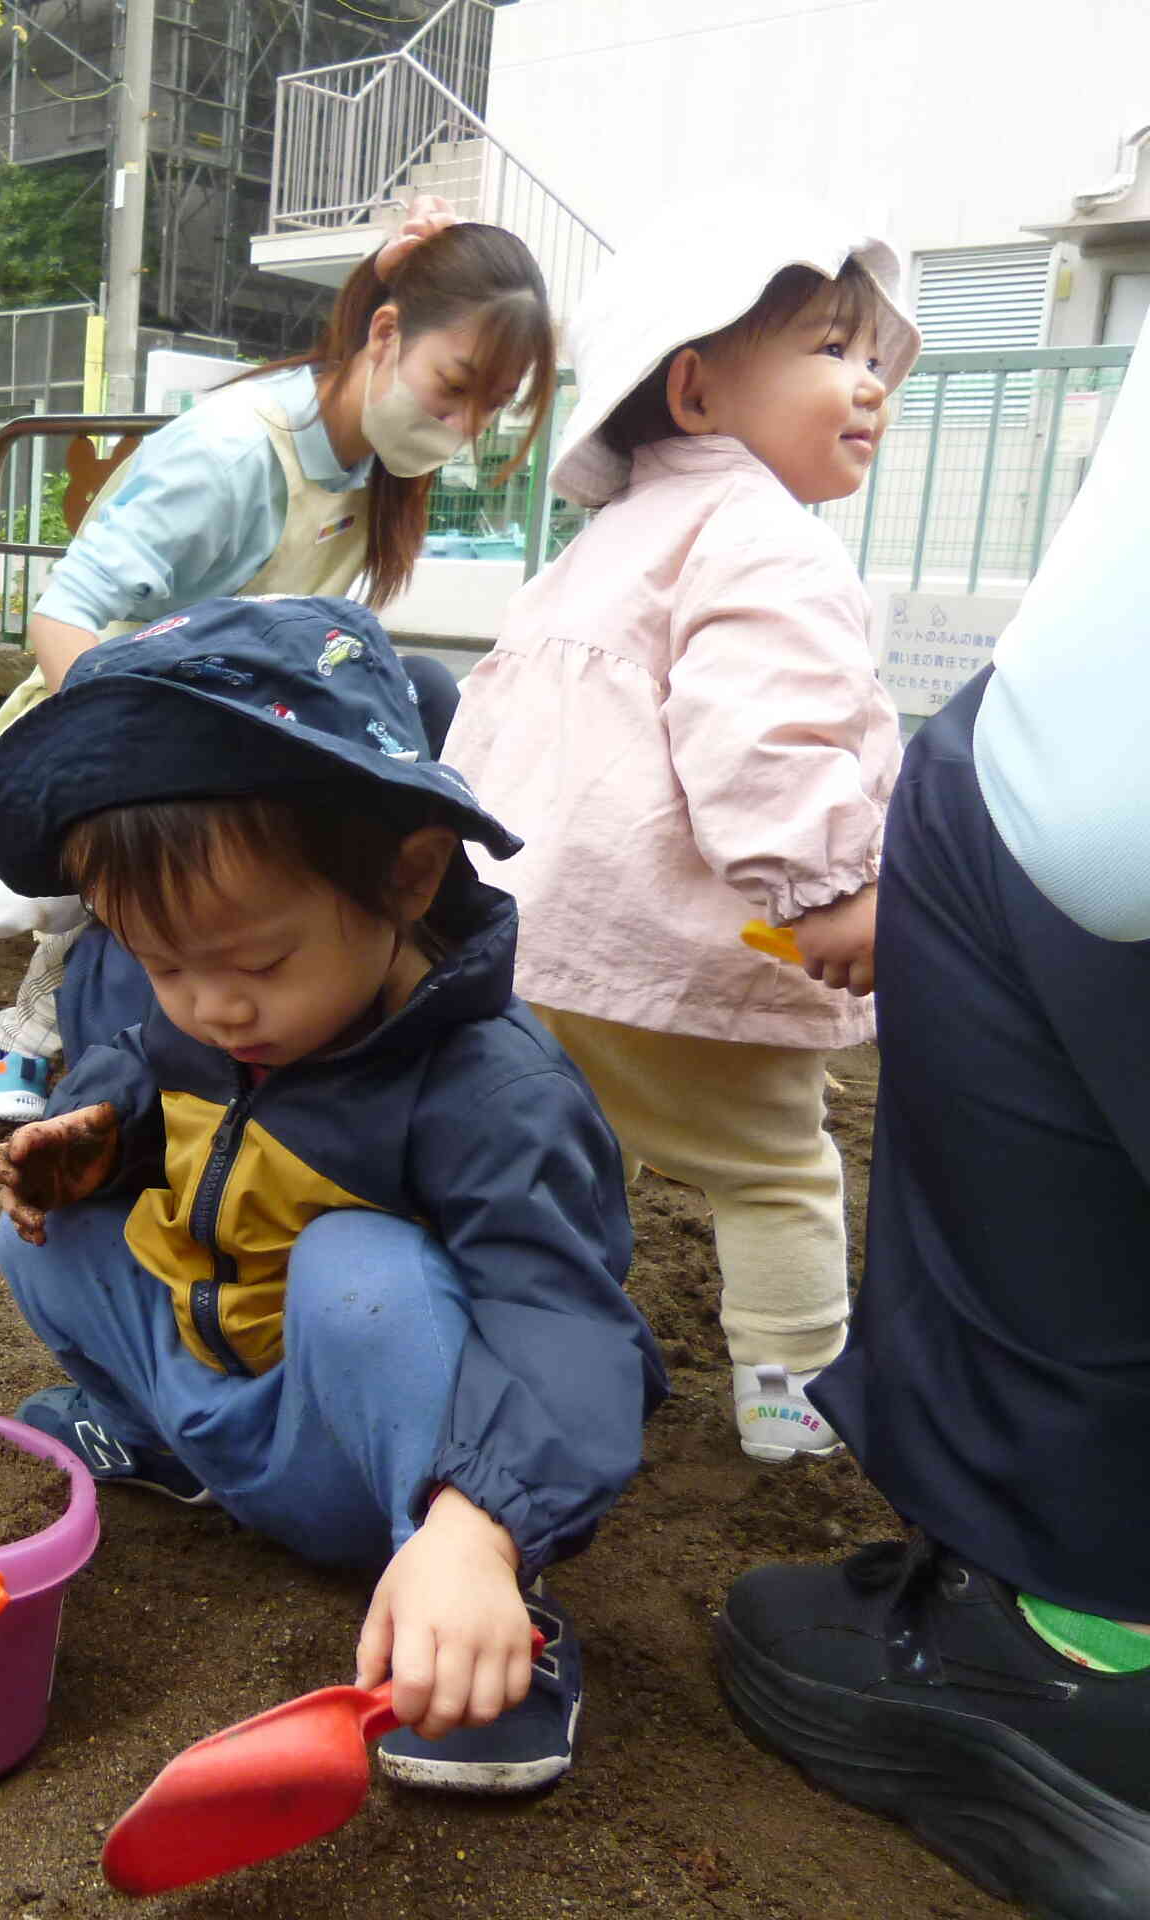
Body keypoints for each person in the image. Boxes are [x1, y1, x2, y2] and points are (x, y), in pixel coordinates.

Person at [0, 595, 665, 1791]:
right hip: (228, 1400)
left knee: (364, 1274)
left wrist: (475, 1529)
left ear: (406, 872)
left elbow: (563, 1322)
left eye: (256, 962)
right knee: (40, 1234)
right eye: (163, 961)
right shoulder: (211, 1016)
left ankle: (487, 1619)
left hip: (377, 1467)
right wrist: (103, 1136)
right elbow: (156, 1070)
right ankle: (161, 1441)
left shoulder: (490, 1089)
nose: (209, 1007)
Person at [718, 327, 1150, 1917]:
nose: (875, 383)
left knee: (991, 784)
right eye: (830, 347)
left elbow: (1103, 819)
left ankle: (1068, 1628)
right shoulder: (743, 539)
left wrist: (884, 874)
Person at [443, 194, 918, 1463]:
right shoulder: (769, 542)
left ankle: (542, 1322)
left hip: (536, 940)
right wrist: (823, 890)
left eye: (875, 358)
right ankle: (796, 1395)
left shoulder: (600, 547)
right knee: (773, 1165)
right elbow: (766, 729)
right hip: (687, 945)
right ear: (697, 392)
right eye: (831, 351)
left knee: (578, 1143)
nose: (868, 385)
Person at [0, 198, 552, 1123]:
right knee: (172, 897)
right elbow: (62, 617)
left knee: (419, 698)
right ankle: (58, 1012)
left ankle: (364, 990)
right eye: (457, 387)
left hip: (247, 734)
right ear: (384, 334)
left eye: (491, 409)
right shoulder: (234, 452)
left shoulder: (370, 471)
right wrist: (159, 766)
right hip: (99, 720)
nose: (462, 426)